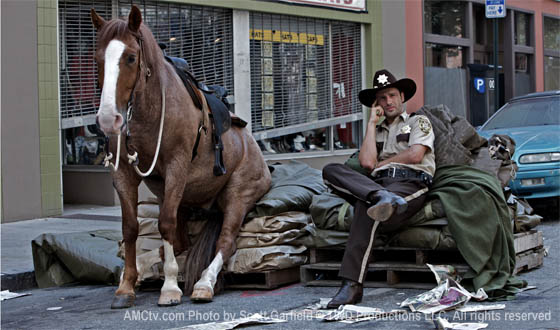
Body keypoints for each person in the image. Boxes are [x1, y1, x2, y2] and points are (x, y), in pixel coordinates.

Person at [322, 69, 436, 308]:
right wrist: (372, 123)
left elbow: (415, 155)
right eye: (382, 98)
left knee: (369, 207)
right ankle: (377, 196)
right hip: (378, 186)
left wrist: (382, 164)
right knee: (331, 169)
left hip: (409, 184)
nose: (388, 102)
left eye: (392, 95)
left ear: (402, 96)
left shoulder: (418, 121)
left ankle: (351, 285)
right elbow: (366, 163)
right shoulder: (378, 129)